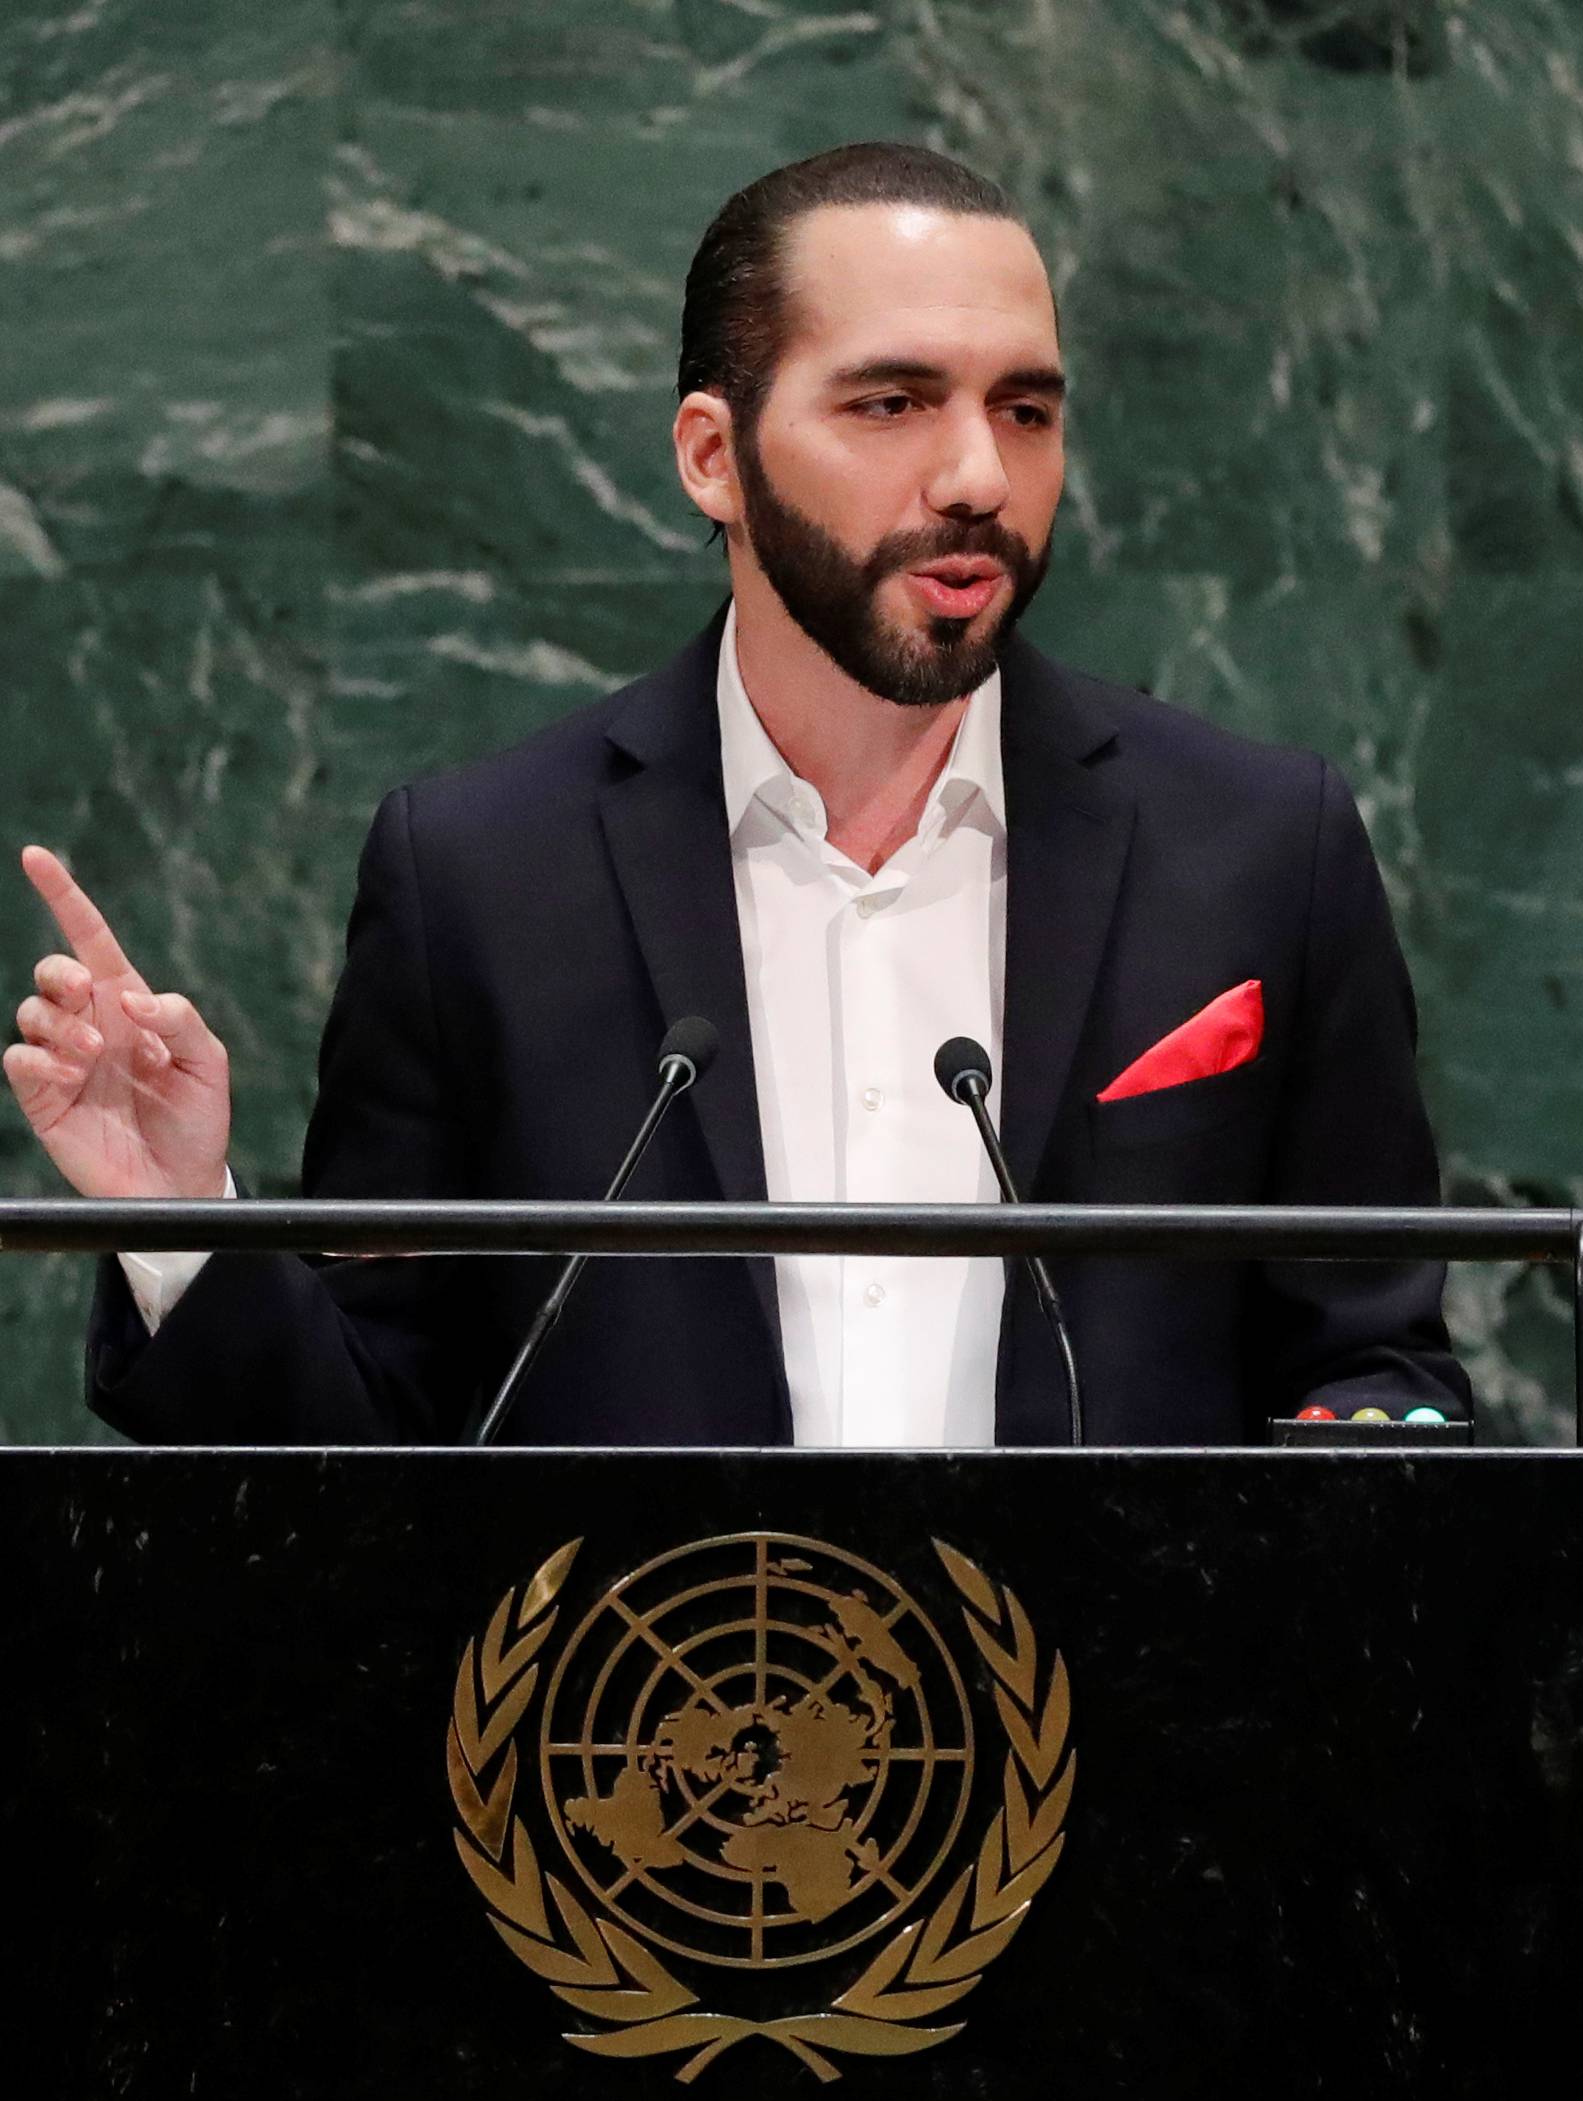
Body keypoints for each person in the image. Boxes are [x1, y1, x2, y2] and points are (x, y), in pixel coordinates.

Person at [4, 143, 1470, 1449]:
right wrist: (180, 1217)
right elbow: (376, 1443)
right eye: (892, 401)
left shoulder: (1261, 849)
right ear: (714, 455)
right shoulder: (481, 879)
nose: (976, 472)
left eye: (1025, 410)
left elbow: (1372, 1358)